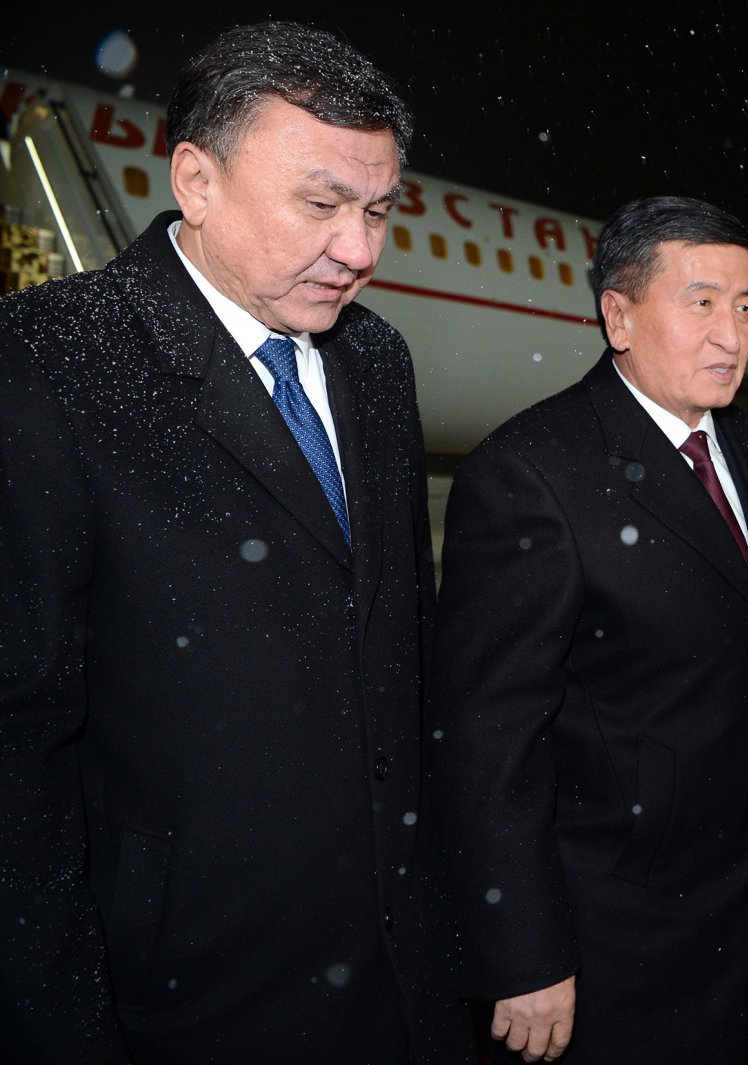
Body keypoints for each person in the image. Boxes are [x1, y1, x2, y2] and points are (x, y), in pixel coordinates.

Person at [0, 22, 471, 1064]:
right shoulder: (47, 362)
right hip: (188, 993)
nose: (360, 251)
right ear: (196, 181)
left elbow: (403, 656)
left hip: (399, 976)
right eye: (321, 205)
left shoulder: (375, 361)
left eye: (378, 211)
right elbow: (18, 746)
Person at [430, 196, 748, 1063]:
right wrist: (523, 949)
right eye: (701, 302)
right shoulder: (532, 473)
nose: (733, 335)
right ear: (618, 316)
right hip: (614, 928)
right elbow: (486, 738)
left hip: (740, 901)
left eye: (745, 307)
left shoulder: (735, 441)